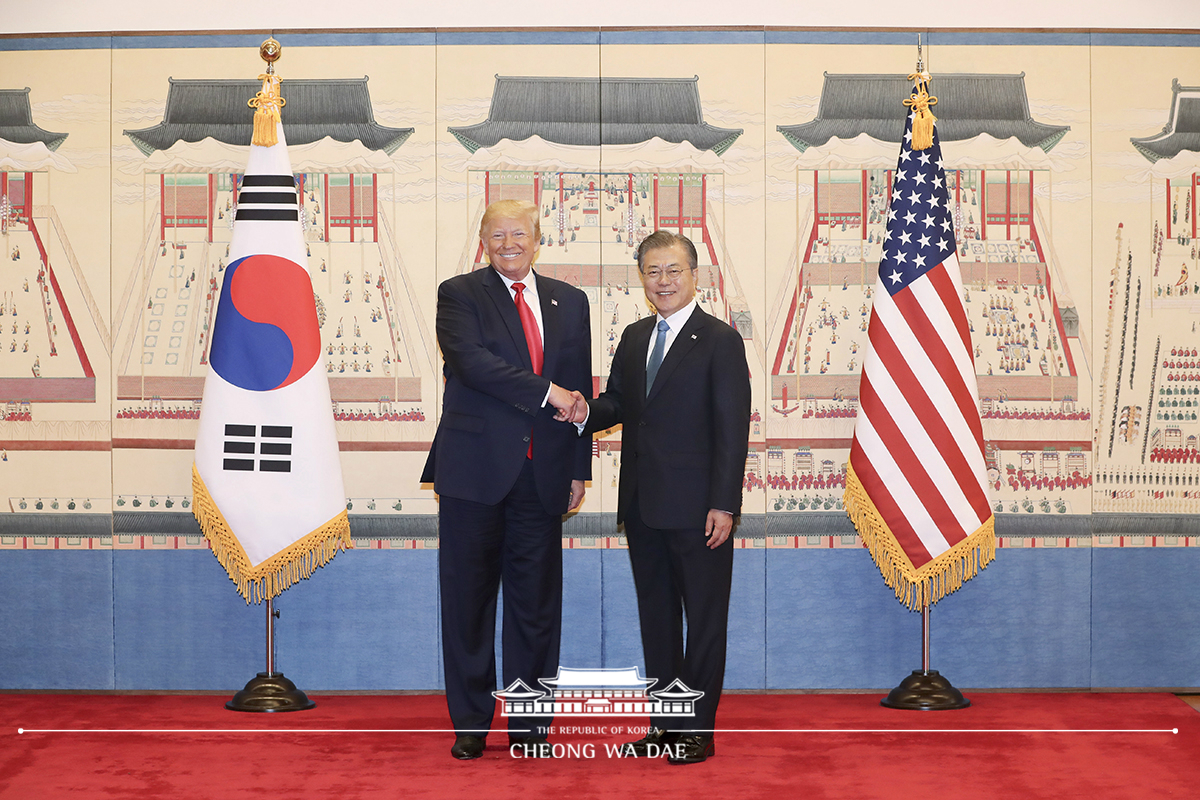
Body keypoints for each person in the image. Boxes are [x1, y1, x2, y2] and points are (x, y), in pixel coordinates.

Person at [570, 230, 750, 765]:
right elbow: (619, 404)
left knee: (704, 622)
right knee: (659, 623)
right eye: (653, 271)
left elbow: (731, 428)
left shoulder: (719, 339)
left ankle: (698, 731)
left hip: (701, 513)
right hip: (645, 510)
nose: (663, 280)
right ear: (642, 279)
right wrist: (581, 411)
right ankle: (666, 726)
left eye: (674, 270)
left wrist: (724, 503)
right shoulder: (634, 335)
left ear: (696, 276)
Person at [421, 199, 592, 761]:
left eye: (519, 233)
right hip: (473, 473)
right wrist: (548, 394)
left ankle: (530, 725)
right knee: (467, 601)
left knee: (535, 605)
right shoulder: (460, 293)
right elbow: (471, 364)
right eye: (497, 234)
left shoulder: (572, 302)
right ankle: (470, 722)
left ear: (538, 238)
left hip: (542, 475)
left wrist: (578, 468)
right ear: (483, 240)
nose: (509, 243)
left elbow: (579, 394)